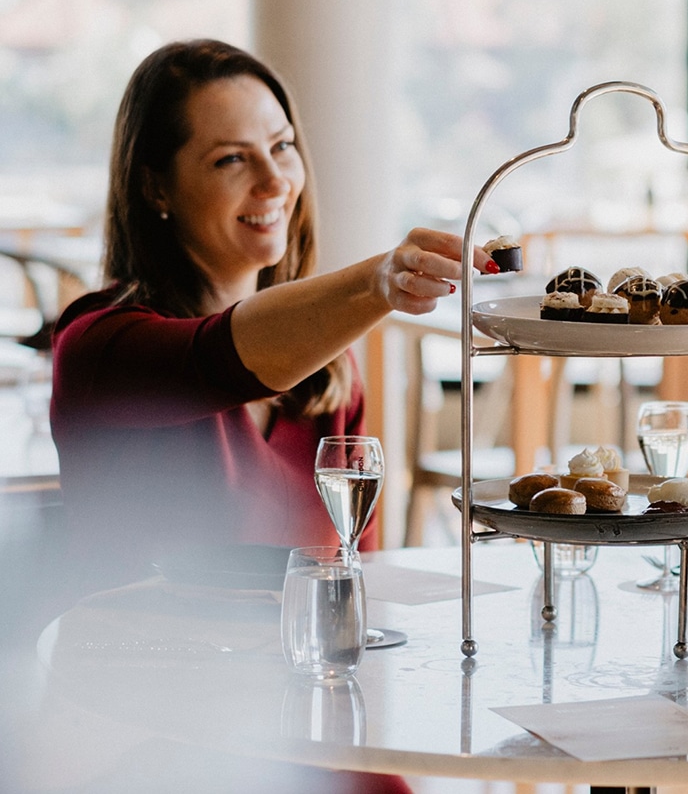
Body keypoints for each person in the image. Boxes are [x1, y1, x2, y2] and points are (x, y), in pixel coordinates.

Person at [50, 39, 494, 596]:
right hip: (137, 677)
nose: (275, 181)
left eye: (281, 147)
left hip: (293, 679)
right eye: (231, 158)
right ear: (154, 186)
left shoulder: (328, 373)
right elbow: (218, 357)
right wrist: (377, 281)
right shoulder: (99, 348)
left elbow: (361, 581)